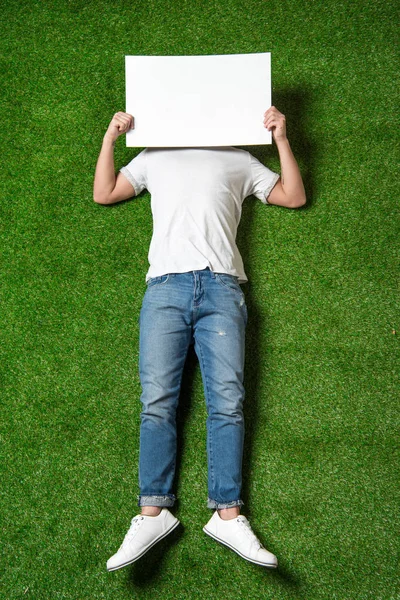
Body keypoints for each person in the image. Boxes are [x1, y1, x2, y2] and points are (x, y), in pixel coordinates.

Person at [93, 106, 306, 571]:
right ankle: (153, 511)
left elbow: (293, 196)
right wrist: (110, 138)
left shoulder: (240, 159)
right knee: (157, 401)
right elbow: (105, 193)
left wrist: (282, 139)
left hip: (222, 288)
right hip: (165, 288)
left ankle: (227, 514)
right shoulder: (154, 156)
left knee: (228, 401)